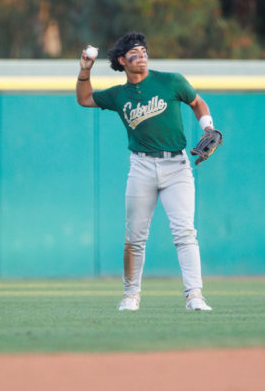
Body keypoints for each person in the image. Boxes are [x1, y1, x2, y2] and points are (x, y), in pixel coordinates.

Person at [76, 32, 216, 312]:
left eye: (144, 51)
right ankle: (131, 295)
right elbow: (85, 98)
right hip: (141, 167)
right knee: (135, 238)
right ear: (122, 61)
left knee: (185, 232)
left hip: (177, 166)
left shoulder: (171, 81)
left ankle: (195, 295)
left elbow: (196, 102)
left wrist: (208, 127)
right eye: (134, 53)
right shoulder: (119, 95)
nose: (141, 56)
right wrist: (85, 69)